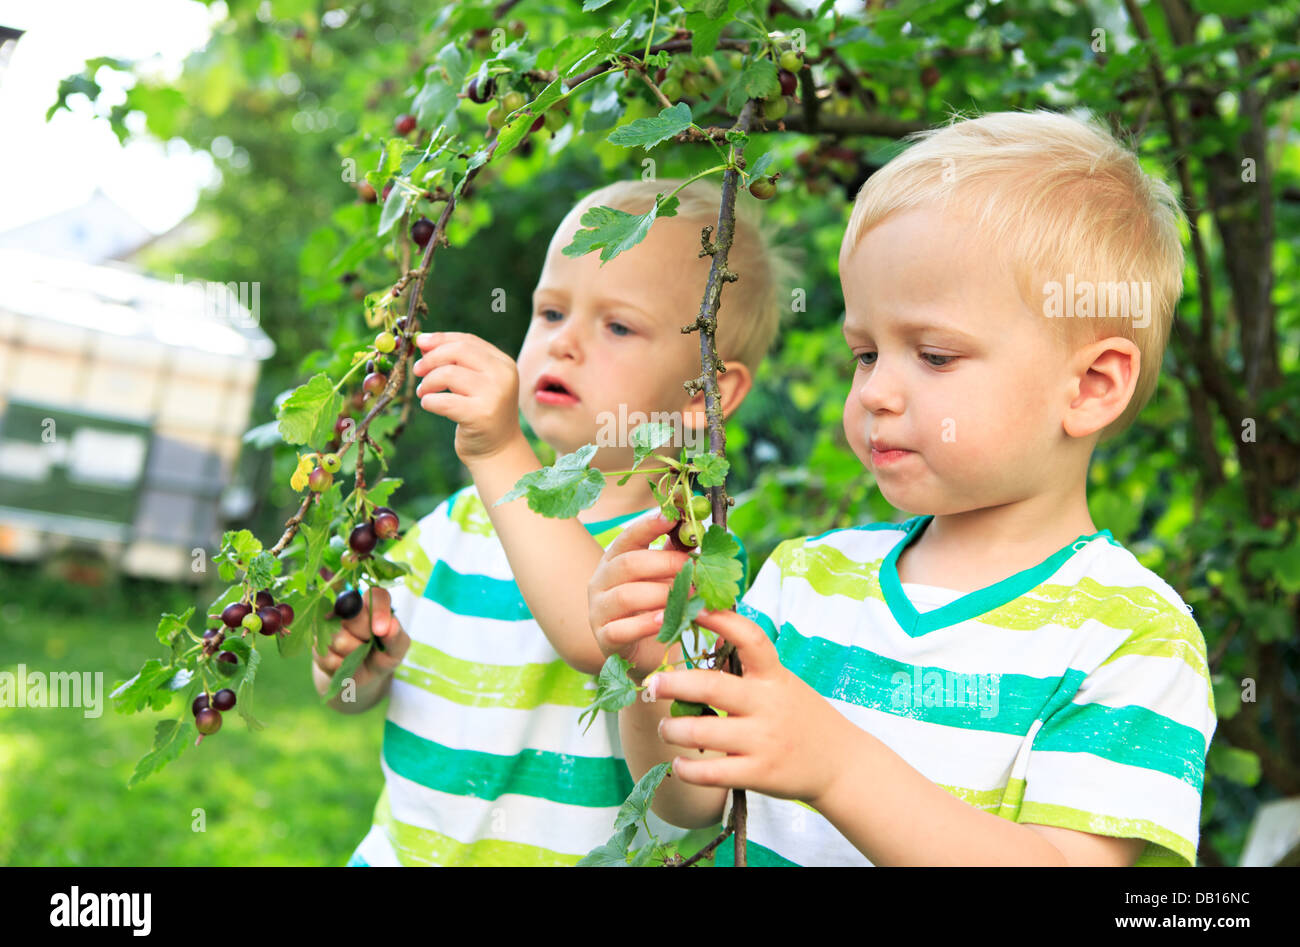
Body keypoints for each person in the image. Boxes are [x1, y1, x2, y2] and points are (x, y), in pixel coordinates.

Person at [587, 110, 1217, 866]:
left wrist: (838, 767)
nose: (878, 391)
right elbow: (689, 799)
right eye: (865, 353)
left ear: (1089, 385)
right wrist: (650, 667)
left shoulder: (1130, 635)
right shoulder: (806, 580)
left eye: (936, 355)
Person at [311, 176, 792, 865]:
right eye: (550, 312)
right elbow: (355, 694)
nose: (564, 344)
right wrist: (350, 663)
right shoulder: (459, 524)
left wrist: (500, 448)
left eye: (618, 325)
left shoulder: (684, 561)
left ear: (705, 393)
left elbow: (596, 636)